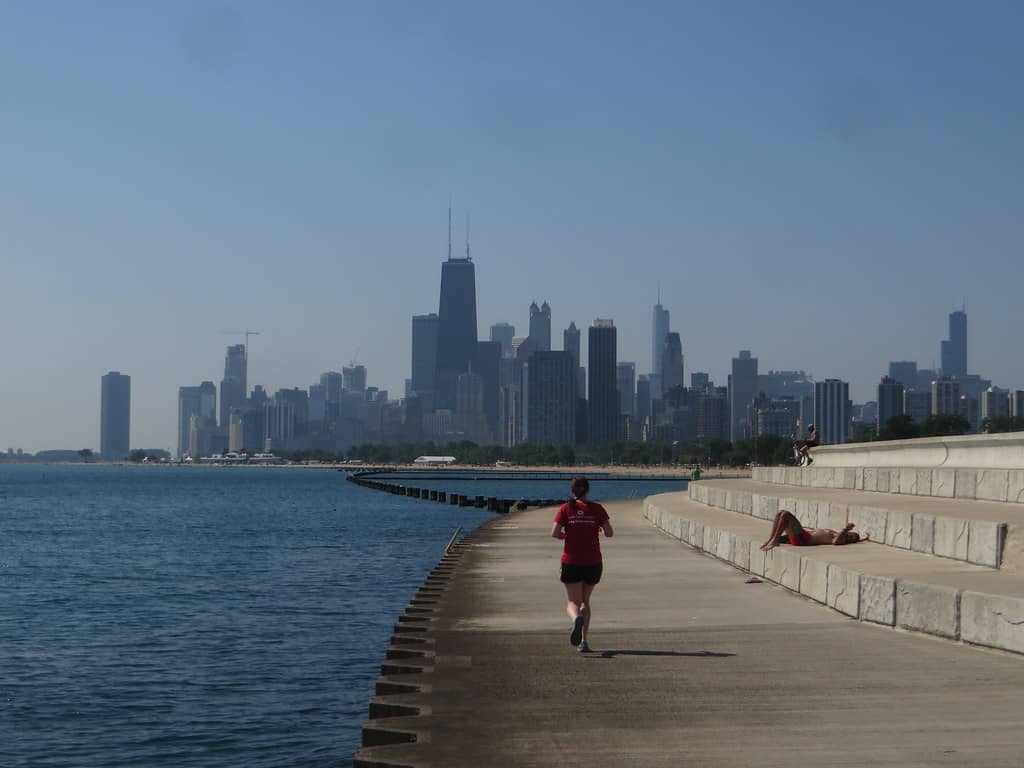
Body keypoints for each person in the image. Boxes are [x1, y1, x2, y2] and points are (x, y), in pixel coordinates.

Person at [552, 476, 613, 653]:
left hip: (571, 561)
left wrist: (566, 535)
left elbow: (555, 532)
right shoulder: (597, 509)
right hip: (593, 562)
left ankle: (575, 618)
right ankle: (584, 641)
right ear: (588, 490)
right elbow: (609, 533)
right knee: (585, 601)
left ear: (572, 491)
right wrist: (597, 529)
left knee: (572, 602)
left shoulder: (566, 508)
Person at [760, 509, 869, 551]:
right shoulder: (837, 534)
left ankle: (774, 540)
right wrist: (863, 539)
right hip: (803, 535)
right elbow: (855, 539)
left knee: (786, 515)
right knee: (780, 513)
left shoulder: (839, 539)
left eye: (851, 537)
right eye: (851, 534)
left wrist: (845, 529)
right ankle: (771, 540)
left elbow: (836, 542)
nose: (850, 536)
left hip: (803, 539)